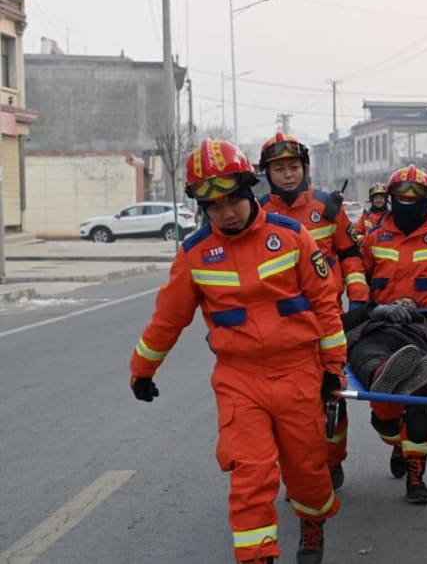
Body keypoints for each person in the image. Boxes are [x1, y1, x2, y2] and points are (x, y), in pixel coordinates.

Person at [129, 139, 345, 564]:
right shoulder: (193, 256)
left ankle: (312, 520)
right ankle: (257, 557)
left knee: (308, 474)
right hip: (239, 379)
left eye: (233, 200)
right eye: (214, 206)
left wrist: (333, 368)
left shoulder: (292, 237)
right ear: (202, 208)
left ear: (249, 190)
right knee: (251, 474)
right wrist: (142, 370)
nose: (226, 212)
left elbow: (325, 305)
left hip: (298, 372)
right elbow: (167, 320)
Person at [259, 131, 369, 489]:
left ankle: (332, 461)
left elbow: (352, 255)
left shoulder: (328, 209)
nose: (288, 174)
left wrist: (359, 297)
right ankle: (301, 474)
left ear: (305, 168)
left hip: (326, 321)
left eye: (294, 166)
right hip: (279, 329)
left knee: (331, 395)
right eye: (279, 169)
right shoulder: (257, 214)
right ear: (267, 174)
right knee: (289, 408)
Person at [360, 164, 427, 504]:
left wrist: (423, 305)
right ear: (391, 199)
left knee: (419, 395)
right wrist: (376, 309)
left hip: (424, 325)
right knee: (381, 399)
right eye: (401, 197)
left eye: (415, 198)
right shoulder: (373, 239)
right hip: (381, 322)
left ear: (426, 200)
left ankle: (416, 474)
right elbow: (357, 285)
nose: (407, 203)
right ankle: (394, 437)